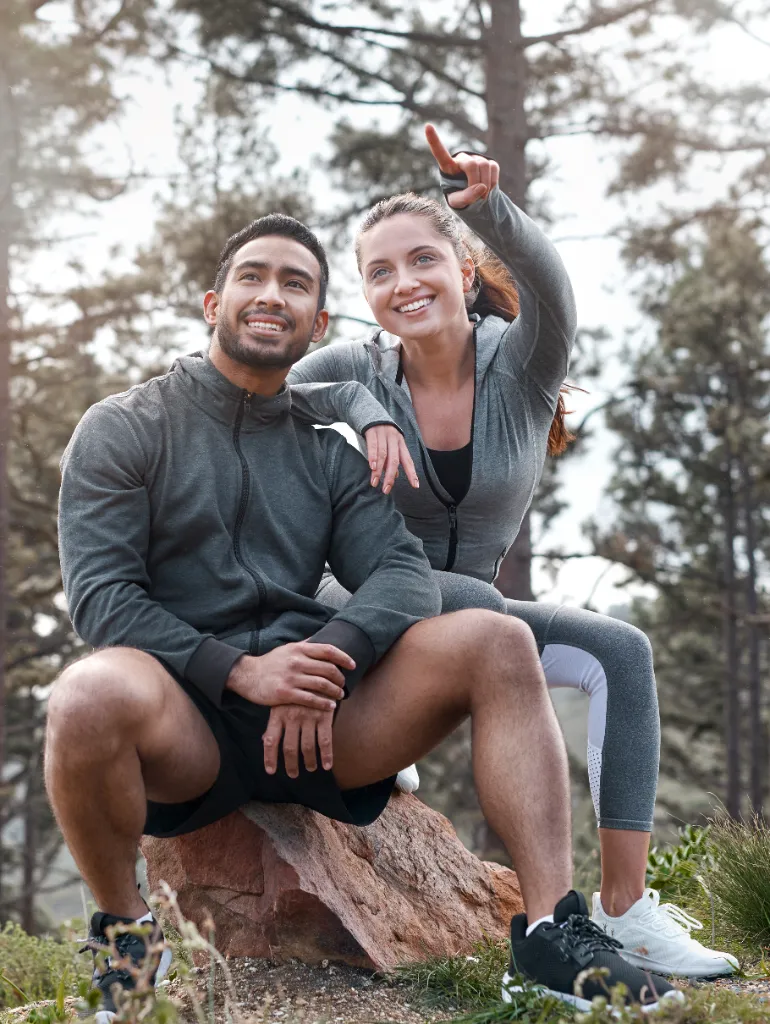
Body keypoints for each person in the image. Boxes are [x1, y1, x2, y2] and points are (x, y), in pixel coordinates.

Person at [47, 213, 681, 1021]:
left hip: (323, 727)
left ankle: (552, 940)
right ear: (213, 302)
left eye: (296, 284)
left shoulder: (326, 452)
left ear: (318, 324)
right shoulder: (125, 426)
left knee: (495, 635)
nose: (271, 294)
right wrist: (241, 670)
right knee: (84, 695)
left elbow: (402, 574)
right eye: (253, 276)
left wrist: (329, 655)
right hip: (185, 728)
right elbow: (102, 597)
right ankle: (127, 944)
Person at [286, 126, 737, 980]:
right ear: (366, 295)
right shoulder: (361, 367)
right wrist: (355, 400)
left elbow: (551, 288)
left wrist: (489, 208)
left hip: (468, 610)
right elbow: (240, 396)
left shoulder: (523, 367)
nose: (402, 283)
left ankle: (625, 910)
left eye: (421, 260)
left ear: (462, 269)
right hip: (355, 609)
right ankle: (388, 709)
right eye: (378, 273)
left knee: (622, 651)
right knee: (491, 618)